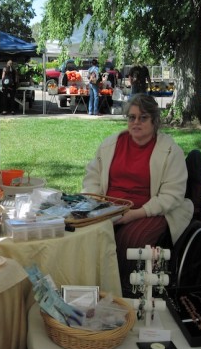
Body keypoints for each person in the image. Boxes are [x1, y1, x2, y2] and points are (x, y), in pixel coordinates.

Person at [82, 93, 193, 295]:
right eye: (131, 117)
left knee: (130, 241)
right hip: (108, 209)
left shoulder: (169, 150)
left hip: (149, 211)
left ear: (154, 121)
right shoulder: (111, 144)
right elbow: (93, 177)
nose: (136, 122)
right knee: (85, 236)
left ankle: (123, 294)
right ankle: (91, 290)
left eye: (143, 118)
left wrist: (134, 214)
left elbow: (172, 195)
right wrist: (94, 205)